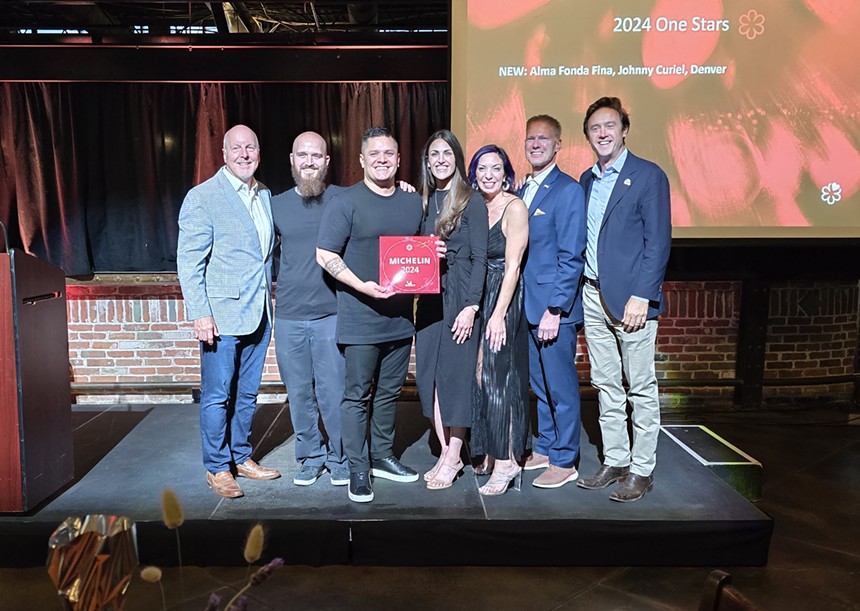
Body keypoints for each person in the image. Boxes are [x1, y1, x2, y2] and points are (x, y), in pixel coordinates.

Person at [316, 127, 425, 503]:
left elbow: (419, 253)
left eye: (389, 153)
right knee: (357, 395)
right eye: (374, 153)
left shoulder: (413, 202)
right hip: (361, 318)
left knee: (390, 394)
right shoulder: (346, 201)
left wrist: (434, 254)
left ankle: (382, 456)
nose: (382, 158)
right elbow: (325, 255)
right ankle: (357, 468)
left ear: (398, 159)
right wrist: (362, 286)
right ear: (361, 159)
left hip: (400, 318)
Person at [177, 124, 281, 499]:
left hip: (258, 312)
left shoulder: (265, 194)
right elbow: (189, 261)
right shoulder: (203, 197)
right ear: (223, 154)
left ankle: (240, 455)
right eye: (236, 148)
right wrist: (200, 313)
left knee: (248, 393)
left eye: (250, 147)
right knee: (218, 394)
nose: (244, 154)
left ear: (258, 152)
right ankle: (217, 467)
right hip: (220, 317)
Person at [576, 96, 672, 502]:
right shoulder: (586, 179)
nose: (602, 133)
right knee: (605, 384)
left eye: (610, 125)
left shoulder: (648, 176)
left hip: (632, 300)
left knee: (640, 387)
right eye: (595, 127)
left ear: (624, 130)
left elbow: (659, 243)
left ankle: (642, 468)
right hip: (592, 295)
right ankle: (615, 459)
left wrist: (642, 296)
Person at [270, 131, 349, 488]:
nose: (309, 162)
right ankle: (310, 456)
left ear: (327, 162)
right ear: (292, 159)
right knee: (299, 392)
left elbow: (382, 204)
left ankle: (340, 457)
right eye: (303, 155)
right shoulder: (275, 205)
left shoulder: (344, 199)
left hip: (331, 314)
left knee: (333, 393)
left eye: (316, 156)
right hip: (288, 316)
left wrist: (405, 189)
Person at [415, 130, 488, 491]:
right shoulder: (423, 201)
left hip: (459, 295)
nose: (440, 159)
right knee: (430, 378)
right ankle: (448, 453)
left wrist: (471, 306)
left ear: (457, 157)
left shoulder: (471, 201)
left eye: (446, 153)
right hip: (429, 298)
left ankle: (455, 451)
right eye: (433, 154)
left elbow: (480, 259)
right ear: (427, 162)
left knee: (457, 378)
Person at [519, 114, 587, 489]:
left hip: (551, 310)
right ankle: (545, 445)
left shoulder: (568, 190)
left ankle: (565, 459)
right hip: (527, 307)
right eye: (531, 138)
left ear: (558, 145)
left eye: (544, 139)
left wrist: (556, 308)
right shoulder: (522, 188)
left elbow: (571, 254)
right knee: (540, 385)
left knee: (560, 386)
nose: (536, 144)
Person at [467, 144, 530, 496]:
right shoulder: (478, 205)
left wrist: (498, 315)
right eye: (481, 168)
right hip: (480, 294)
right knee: (480, 375)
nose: (488, 174)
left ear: (506, 172)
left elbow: (513, 267)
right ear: (473, 173)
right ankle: (491, 449)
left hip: (502, 298)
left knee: (499, 379)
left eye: (495, 168)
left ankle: (508, 462)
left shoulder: (514, 207)